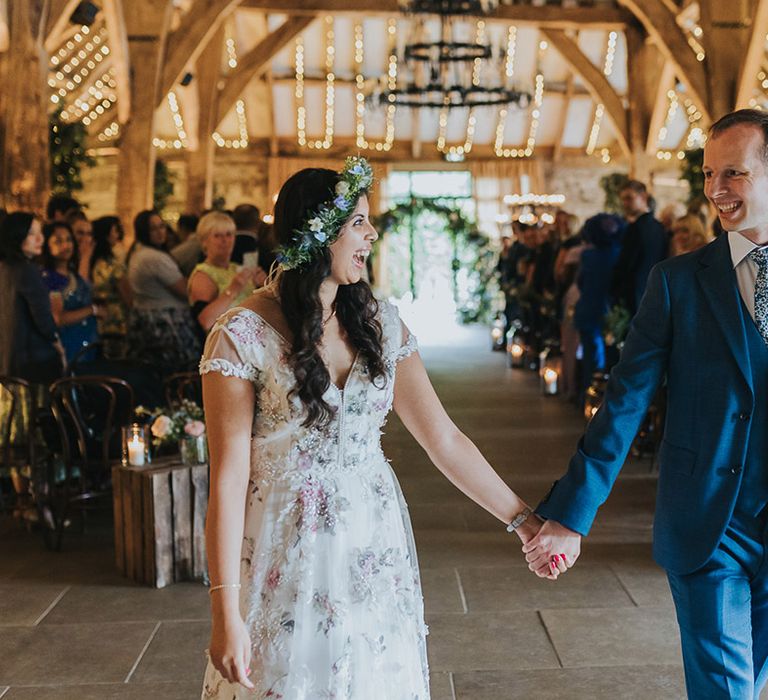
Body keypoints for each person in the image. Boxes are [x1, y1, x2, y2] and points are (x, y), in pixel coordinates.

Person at [199, 157, 550, 699]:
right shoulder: (241, 334)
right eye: (358, 221)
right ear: (318, 232)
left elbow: (445, 439)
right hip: (284, 548)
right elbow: (226, 477)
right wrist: (225, 609)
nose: (372, 233)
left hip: (371, 544)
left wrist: (523, 519)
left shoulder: (381, 325)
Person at [524, 109, 768, 698]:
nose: (716, 190)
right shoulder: (677, 281)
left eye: (733, 173)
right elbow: (626, 401)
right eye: (710, 174)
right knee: (725, 689)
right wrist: (571, 514)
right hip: (711, 521)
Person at [126, 210, 201, 373]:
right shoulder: (153, 257)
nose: (160, 232)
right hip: (164, 322)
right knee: (176, 372)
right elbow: (185, 290)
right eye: (153, 228)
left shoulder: (141, 252)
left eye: (162, 226)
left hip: (151, 317)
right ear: (143, 231)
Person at [0, 212, 63, 383]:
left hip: (9, 358)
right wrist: (57, 343)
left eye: (40, 232)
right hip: (33, 360)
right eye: (32, 234)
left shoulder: (5, 268)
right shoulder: (27, 271)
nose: (40, 239)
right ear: (16, 236)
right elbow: (44, 320)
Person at [188, 211, 266, 333]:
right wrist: (233, 289)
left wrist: (262, 286)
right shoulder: (202, 275)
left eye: (229, 234)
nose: (224, 240)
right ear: (204, 241)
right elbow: (205, 321)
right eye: (217, 235)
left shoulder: (236, 268)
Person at [41, 221, 101, 365]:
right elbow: (59, 318)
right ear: (47, 246)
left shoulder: (72, 274)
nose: (66, 245)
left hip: (88, 346)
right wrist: (92, 310)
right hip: (69, 350)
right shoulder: (51, 279)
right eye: (58, 241)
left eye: (68, 240)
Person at [610, 180, 668, 316]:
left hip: (634, 295)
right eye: (623, 199)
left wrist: (615, 291)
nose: (625, 203)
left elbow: (626, 265)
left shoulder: (635, 229)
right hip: (655, 293)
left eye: (629, 198)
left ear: (643, 197)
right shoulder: (659, 227)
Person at [91, 216, 131, 358]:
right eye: (114, 230)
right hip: (115, 320)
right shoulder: (113, 265)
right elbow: (127, 296)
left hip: (95, 320)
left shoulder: (90, 262)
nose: (117, 234)